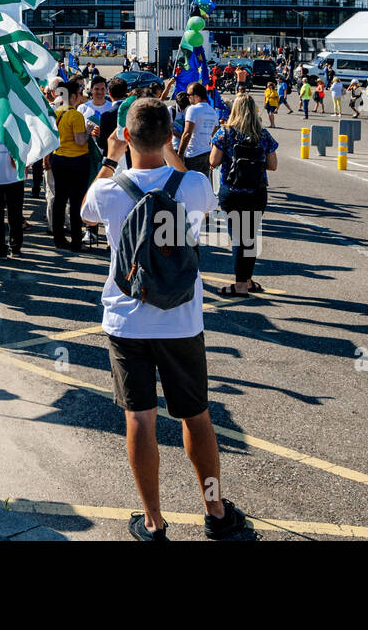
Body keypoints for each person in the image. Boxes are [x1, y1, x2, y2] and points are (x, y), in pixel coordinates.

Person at [80, 99, 248, 542]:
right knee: (196, 418)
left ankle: (153, 522)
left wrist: (113, 156)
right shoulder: (193, 185)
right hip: (181, 321)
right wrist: (171, 153)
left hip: (126, 323)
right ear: (171, 137)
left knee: (140, 419)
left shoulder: (109, 190)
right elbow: (203, 199)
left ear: (128, 136)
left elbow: (85, 212)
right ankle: (214, 509)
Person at [210, 93, 278, 298]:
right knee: (250, 236)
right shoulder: (263, 135)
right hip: (257, 191)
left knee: (239, 238)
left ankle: (240, 285)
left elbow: (213, 161)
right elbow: (273, 165)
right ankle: (247, 279)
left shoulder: (225, 133)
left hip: (232, 191)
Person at [47, 79, 89, 251]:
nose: (81, 97)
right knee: (76, 200)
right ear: (73, 96)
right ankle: (76, 241)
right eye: (79, 94)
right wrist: (88, 133)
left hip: (59, 158)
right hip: (76, 160)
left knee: (60, 199)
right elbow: (80, 141)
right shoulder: (76, 115)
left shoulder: (57, 112)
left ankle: (59, 238)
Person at [177, 82, 219, 174]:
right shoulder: (213, 111)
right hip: (207, 153)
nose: (187, 97)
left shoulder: (192, 109)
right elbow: (214, 135)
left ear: (196, 96)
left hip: (193, 154)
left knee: (189, 184)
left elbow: (187, 133)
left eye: (189, 95)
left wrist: (180, 154)